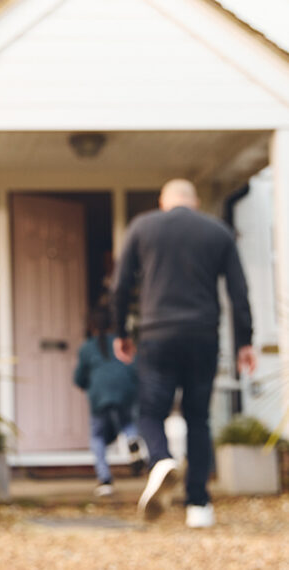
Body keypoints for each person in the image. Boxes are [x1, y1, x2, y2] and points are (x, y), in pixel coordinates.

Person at [111, 178, 256, 528]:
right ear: (195, 201)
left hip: (157, 334)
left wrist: (121, 332)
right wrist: (245, 342)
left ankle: (161, 459)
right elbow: (239, 291)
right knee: (198, 418)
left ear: (165, 202)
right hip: (203, 336)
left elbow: (120, 284)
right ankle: (199, 506)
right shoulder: (217, 231)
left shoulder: (143, 227)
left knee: (150, 412)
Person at [74, 305, 143, 497]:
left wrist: (87, 383)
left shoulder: (87, 348)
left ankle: (104, 479)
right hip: (124, 391)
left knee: (97, 436)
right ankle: (132, 440)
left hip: (99, 396)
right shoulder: (123, 343)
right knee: (127, 423)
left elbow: (79, 378)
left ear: (91, 325)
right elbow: (135, 368)